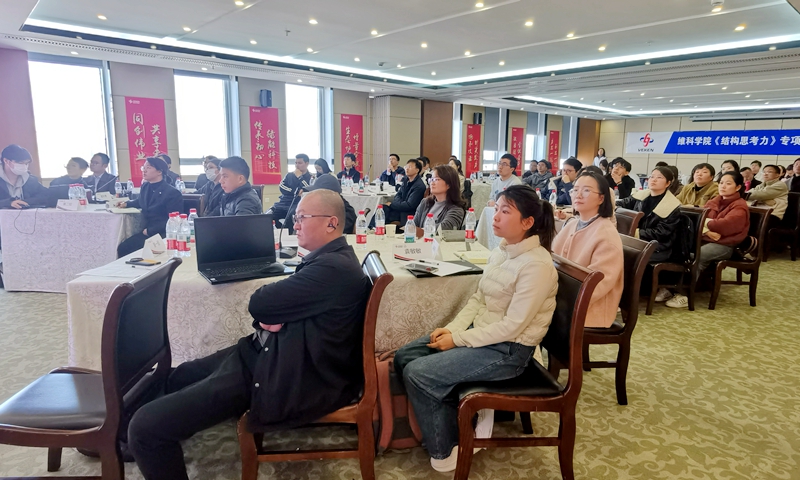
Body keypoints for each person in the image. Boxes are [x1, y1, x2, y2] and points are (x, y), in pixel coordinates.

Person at [128, 189, 371, 480]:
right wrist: (273, 317)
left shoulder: (333, 268)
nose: (295, 224)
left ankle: (138, 438)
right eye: (295, 218)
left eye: (302, 218)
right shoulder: (332, 259)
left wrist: (272, 315)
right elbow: (273, 309)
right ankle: (125, 438)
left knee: (144, 427)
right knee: (176, 377)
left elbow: (261, 303)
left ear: (331, 223)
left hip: (277, 372)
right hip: (265, 352)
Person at [394, 184, 557, 473]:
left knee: (420, 374)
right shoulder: (502, 252)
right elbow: (478, 298)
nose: (496, 216)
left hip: (510, 350)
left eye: (506, 211)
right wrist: (452, 330)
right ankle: (457, 424)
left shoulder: (537, 266)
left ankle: (447, 449)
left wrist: (458, 339)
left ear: (527, 222)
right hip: (484, 334)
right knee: (405, 356)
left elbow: (513, 327)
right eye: (497, 208)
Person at [666, 171, 750, 309]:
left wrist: (706, 224)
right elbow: (699, 219)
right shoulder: (715, 201)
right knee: (679, 250)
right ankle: (670, 289)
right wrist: (707, 230)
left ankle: (684, 294)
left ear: (738, 187)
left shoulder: (739, 206)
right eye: (721, 183)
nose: (723, 186)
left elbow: (723, 226)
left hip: (725, 244)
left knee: (697, 256)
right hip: (706, 238)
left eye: (728, 183)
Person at [552, 171, 624, 328]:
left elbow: (597, 286)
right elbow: (552, 258)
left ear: (601, 198)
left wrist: (554, 296)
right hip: (565, 297)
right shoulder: (573, 223)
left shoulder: (606, 235)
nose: (578, 195)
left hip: (587, 309)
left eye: (586, 190)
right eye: (575, 190)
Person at [116, 157, 183, 257]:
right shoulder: (145, 186)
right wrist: (126, 204)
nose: (144, 170)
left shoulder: (172, 193)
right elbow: (141, 201)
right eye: (144, 167)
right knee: (123, 247)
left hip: (163, 233)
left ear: (159, 171)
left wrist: (150, 231)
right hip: (147, 231)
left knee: (130, 248)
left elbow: (174, 220)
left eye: (149, 167)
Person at [617, 166, 682, 267]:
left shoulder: (672, 205)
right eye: (652, 176)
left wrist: (635, 232)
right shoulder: (641, 196)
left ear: (668, 183)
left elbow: (661, 233)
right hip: (636, 240)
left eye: (659, 177)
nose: (653, 180)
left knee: (625, 256)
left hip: (658, 247)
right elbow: (622, 203)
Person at [286, 174, 357, 234]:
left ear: (329, 194)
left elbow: (327, 233)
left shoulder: (346, 213)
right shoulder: (321, 206)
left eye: (317, 193)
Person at [413, 164, 466, 232]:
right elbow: (413, 225)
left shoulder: (456, 209)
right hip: (421, 238)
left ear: (449, 184)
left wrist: (420, 231)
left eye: (436, 179)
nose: (432, 183)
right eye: (431, 179)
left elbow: (445, 228)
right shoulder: (425, 202)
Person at [378, 158, 426, 225]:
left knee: (384, 212)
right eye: (406, 167)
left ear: (417, 170)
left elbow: (409, 205)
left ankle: (375, 227)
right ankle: (372, 227)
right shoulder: (406, 180)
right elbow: (398, 195)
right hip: (400, 209)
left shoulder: (419, 186)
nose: (407, 169)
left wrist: (392, 205)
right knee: (382, 208)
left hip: (407, 213)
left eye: (410, 167)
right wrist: (397, 204)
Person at [267, 154, 312, 225]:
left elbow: (308, 189)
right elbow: (282, 187)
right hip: (284, 202)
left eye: (300, 163)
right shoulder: (289, 175)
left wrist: (300, 177)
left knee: (291, 216)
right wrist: (295, 192)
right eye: (296, 163)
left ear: (306, 164)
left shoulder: (311, 177)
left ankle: (287, 231)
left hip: (297, 203)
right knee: (268, 215)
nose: (297, 165)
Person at [0, 144, 48, 210]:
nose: (24, 166)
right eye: (20, 163)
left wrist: (24, 202)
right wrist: (8, 203)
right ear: (6, 161)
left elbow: (45, 196)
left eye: (26, 163)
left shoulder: (31, 180)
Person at [746, 164, 788, 230]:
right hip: (761, 212)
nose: (765, 174)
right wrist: (765, 200)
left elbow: (759, 195)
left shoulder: (780, 185)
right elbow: (749, 193)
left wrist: (759, 199)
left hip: (773, 215)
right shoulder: (762, 185)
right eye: (764, 172)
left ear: (777, 175)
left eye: (769, 172)